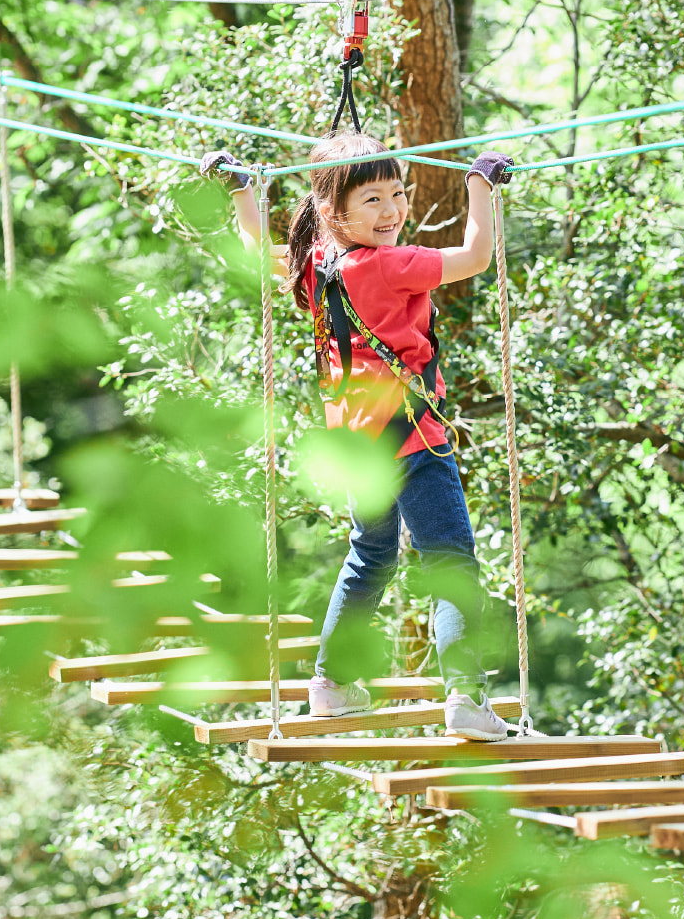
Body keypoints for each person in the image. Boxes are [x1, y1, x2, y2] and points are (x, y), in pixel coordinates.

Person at [201, 134, 513, 740]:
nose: (392, 210)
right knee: (449, 561)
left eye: (397, 193)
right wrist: (481, 184)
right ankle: (466, 698)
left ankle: (331, 685)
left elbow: (255, 249)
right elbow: (476, 256)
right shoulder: (391, 265)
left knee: (370, 554)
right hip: (412, 439)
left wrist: (243, 191)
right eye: (372, 199)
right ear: (334, 212)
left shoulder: (316, 266)